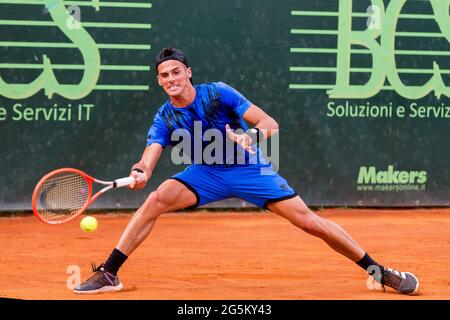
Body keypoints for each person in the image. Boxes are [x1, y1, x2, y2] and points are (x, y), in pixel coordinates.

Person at [74, 47, 419, 295]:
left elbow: (270, 124)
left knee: (310, 223)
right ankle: (110, 273)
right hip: (206, 174)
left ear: (188, 72)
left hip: (249, 169)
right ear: (160, 81)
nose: (171, 79)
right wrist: (140, 170)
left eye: (176, 71)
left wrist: (248, 136)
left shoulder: (218, 93)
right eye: (164, 75)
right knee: (155, 198)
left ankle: (380, 272)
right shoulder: (165, 116)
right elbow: (150, 154)